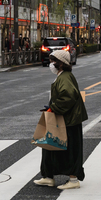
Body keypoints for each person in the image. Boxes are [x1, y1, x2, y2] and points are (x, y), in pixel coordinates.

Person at [33, 49, 87, 190]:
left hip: (68, 120)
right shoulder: (63, 75)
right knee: (50, 147)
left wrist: (54, 108)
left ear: (61, 64)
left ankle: (73, 180)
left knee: (69, 150)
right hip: (64, 118)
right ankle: (48, 177)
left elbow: (68, 96)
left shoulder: (65, 77)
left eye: (53, 61)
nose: (51, 64)